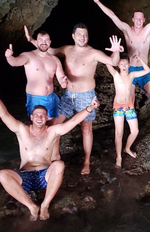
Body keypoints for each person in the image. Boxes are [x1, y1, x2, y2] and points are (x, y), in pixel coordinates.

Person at [0, 79, 98, 221]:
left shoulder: (53, 131)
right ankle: (32, 206)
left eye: (42, 115)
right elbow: (4, 115)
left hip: (45, 176)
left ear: (46, 118)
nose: (39, 117)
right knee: (2, 174)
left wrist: (89, 108)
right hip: (24, 176)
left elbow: (73, 121)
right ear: (32, 117)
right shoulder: (21, 130)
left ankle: (45, 204)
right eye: (37, 115)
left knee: (59, 164)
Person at [25, 23, 123, 175]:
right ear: (73, 36)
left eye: (85, 35)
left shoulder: (93, 53)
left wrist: (116, 52)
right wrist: (32, 40)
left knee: (86, 129)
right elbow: (49, 50)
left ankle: (86, 162)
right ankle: (55, 156)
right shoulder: (67, 49)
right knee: (54, 124)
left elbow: (113, 62)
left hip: (86, 95)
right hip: (68, 96)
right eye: (79, 34)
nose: (82, 37)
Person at [89, 0, 150, 126]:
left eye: (140, 18)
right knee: (129, 99)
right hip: (130, 69)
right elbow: (112, 15)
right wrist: (98, 2)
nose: (138, 20)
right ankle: (129, 122)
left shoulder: (148, 30)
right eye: (136, 18)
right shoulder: (127, 30)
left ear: (144, 20)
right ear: (133, 19)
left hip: (144, 71)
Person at [5, 31, 67, 124]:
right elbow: (15, 62)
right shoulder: (28, 56)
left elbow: (61, 77)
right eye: (41, 40)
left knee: (53, 127)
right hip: (35, 98)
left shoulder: (55, 60)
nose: (44, 42)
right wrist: (9, 57)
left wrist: (63, 82)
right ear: (37, 42)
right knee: (37, 127)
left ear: (50, 42)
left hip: (51, 98)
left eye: (46, 40)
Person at [106, 54, 150, 168]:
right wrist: (114, 53)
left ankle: (127, 148)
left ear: (129, 65)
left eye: (126, 64)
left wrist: (140, 59)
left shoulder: (132, 75)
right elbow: (107, 62)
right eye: (121, 64)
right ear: (118, 65)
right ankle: (119, 157)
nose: (124, 66)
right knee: (119, 133)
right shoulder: (116, 75)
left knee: (135, 131)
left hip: (129, 106)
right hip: (118, 107)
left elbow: (147, 70)